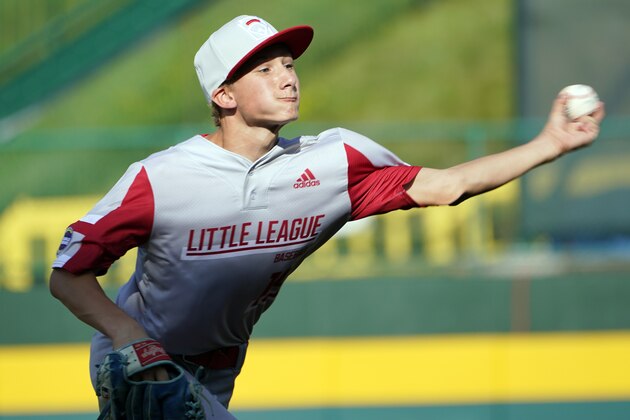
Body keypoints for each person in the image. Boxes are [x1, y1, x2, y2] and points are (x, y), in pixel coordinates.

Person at [49, 14, 604, 419]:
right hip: (146, 364)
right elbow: (67, 273)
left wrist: (550, 143)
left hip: (220, 368)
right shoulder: (161, 178)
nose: (288, 77)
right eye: (264, 70)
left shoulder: (333, 162)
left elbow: (447, 185)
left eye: (288, 64)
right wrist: (129, 337)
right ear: (223, 95)